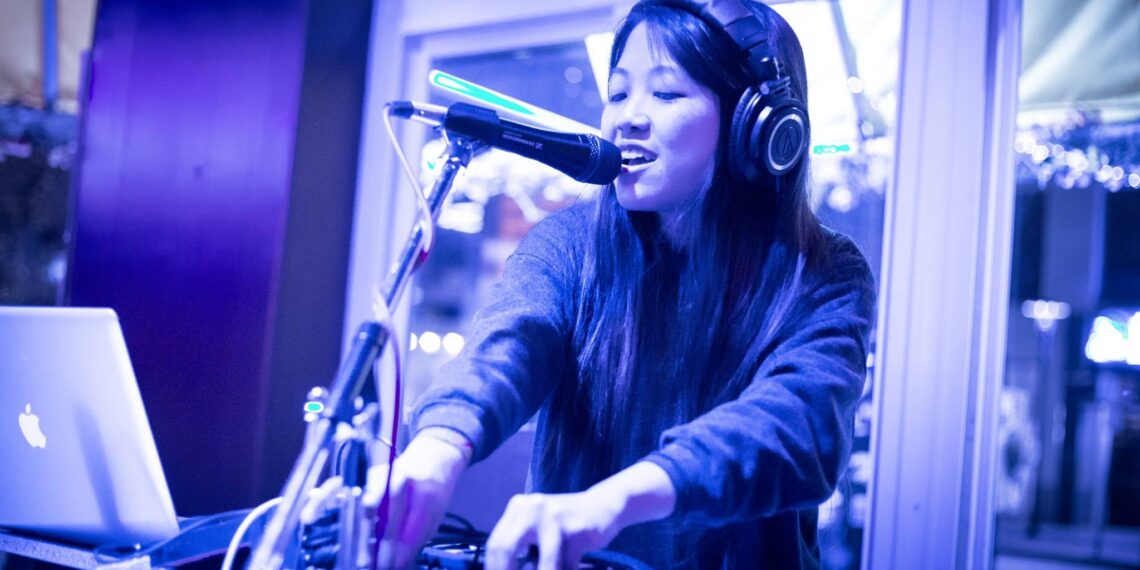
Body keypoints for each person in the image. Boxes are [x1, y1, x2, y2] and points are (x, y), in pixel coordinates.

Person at [372, 0, 877, 567]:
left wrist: (613, 503)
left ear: (751, 125)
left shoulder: (825, 272)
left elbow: (796, 427)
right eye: (618, 94)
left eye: (665, 93)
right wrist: (438, 447)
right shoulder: (569, 244)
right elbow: (509, 345)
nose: (627, 118)